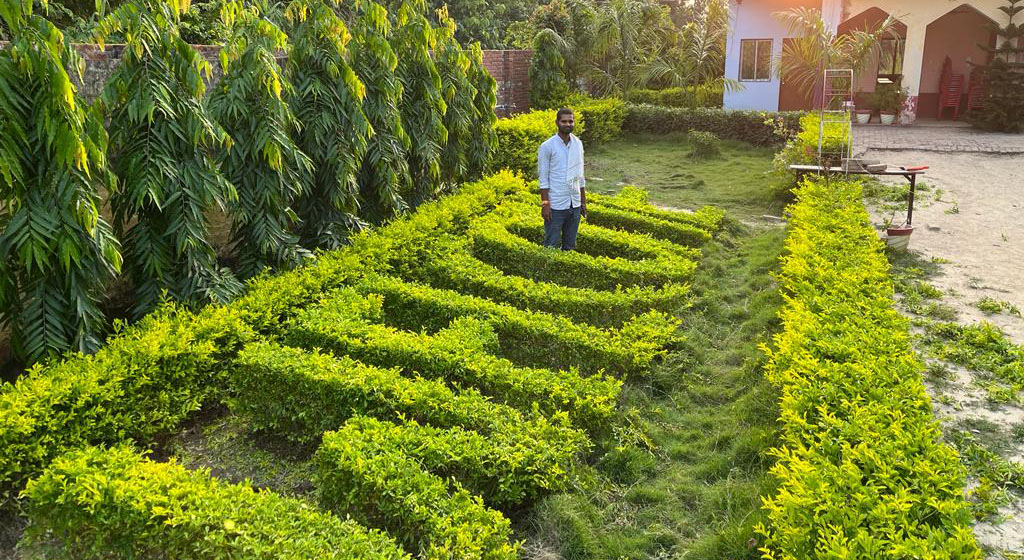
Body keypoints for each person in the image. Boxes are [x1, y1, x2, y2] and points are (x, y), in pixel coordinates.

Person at [537, 107, 586, 251]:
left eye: (570, 121)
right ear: (557, 123)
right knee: (551, 244)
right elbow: (543, 177)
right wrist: (545, 204)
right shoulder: (547, 146)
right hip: (556, 204)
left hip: (574, 203)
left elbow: (581, 174)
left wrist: (583, 201)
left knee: (570, 246)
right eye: (564, 121)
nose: (568, 124)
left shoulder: (578, 143)